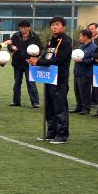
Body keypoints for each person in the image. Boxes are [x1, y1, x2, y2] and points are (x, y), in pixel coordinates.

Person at [29, 16, 73, 144]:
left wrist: (39, 61)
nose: (54, 27)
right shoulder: (50, 41)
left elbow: (58, 60)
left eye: (57, 24)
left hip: (59, 79)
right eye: (53, 24)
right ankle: (51, 132)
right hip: (49, 78)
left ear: (63, 27)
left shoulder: (66, 41)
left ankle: (62, 135)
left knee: (60, 107)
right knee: (49, 107)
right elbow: (45, 56)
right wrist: (35, 61)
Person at [6, 19, 41, 108]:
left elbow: (40, 48)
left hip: (29, 63)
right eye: (21, 28)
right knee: (17, 83)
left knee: (31, 83)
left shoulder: (35, 37)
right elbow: (9, 45)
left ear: (29, 28)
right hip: (17, 63)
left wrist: (36, 55)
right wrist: (11, 48)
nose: (23, 29)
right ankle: (16, 101)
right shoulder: (15, 36)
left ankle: (35, 102)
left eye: (25, 28)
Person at [70, 29, 96, 115]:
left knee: (85, 91)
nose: (79, 37)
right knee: (77, 90)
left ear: (85, 37)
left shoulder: (94, 47)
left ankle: (86, 108)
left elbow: (93, 60)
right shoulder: (81, 46)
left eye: (81, 36)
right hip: (77, 72)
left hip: (86, 73)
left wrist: (83, 61)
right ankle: (79, 107)